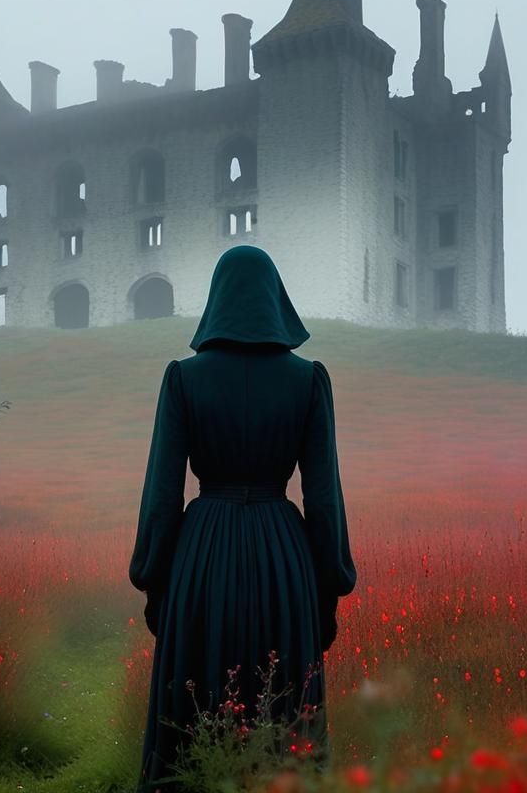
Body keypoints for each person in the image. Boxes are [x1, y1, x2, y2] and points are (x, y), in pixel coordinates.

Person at [129, 245, 358, 793]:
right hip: (283, 556)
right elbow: (322, 499)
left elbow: (163, 496)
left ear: (217, 300)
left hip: (202, 555)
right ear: (275, 299)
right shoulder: (307, 380)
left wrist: (155, 572)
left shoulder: (184, 379)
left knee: (197, 692)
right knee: (281, 706)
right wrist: (328, 580)